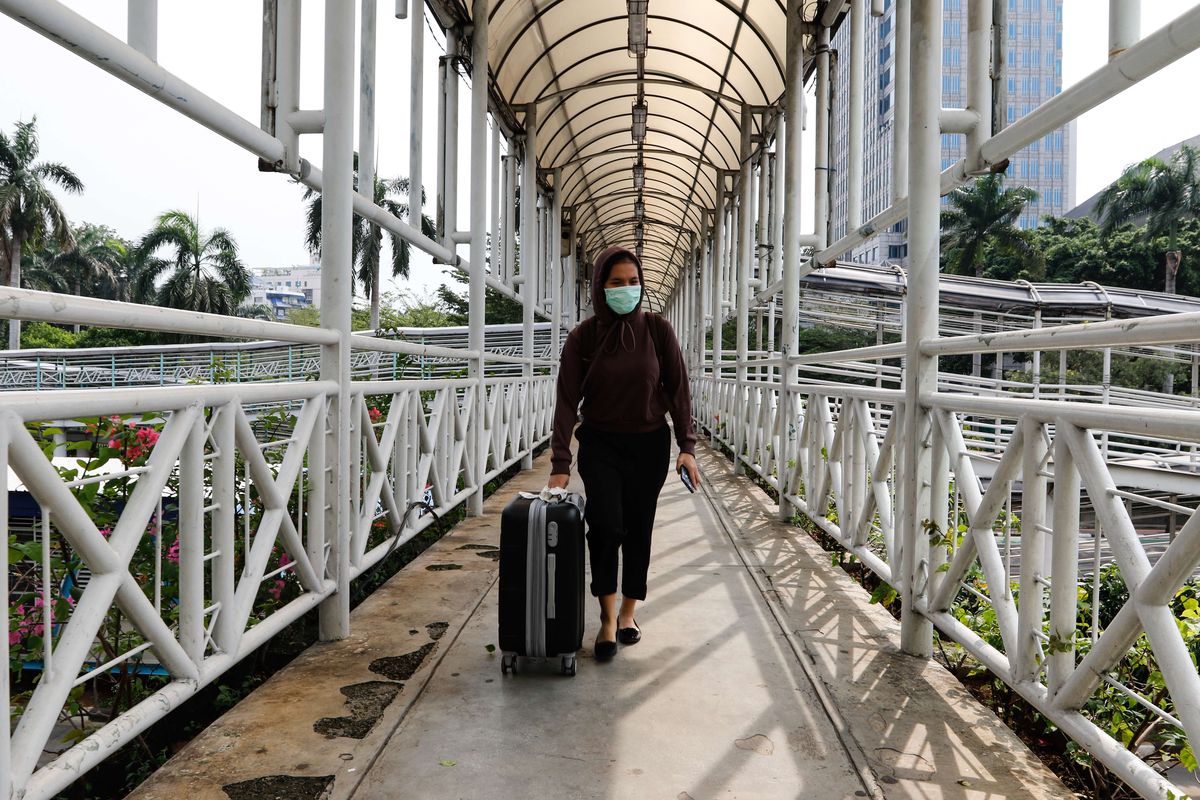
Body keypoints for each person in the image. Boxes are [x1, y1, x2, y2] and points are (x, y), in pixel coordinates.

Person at [547, 245, 700, 662]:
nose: (626, 289)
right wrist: (561, 463)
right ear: (601, 286)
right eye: (616, 283)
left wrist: (687, 447)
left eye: (633, 282)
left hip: (650, 443)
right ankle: (607, 617)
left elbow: (679, 391)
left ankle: (629, 613)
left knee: (637, 528)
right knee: (605, 526)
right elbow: (565, 401)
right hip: (600, 443)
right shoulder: (585, 336)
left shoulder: (657, 331)